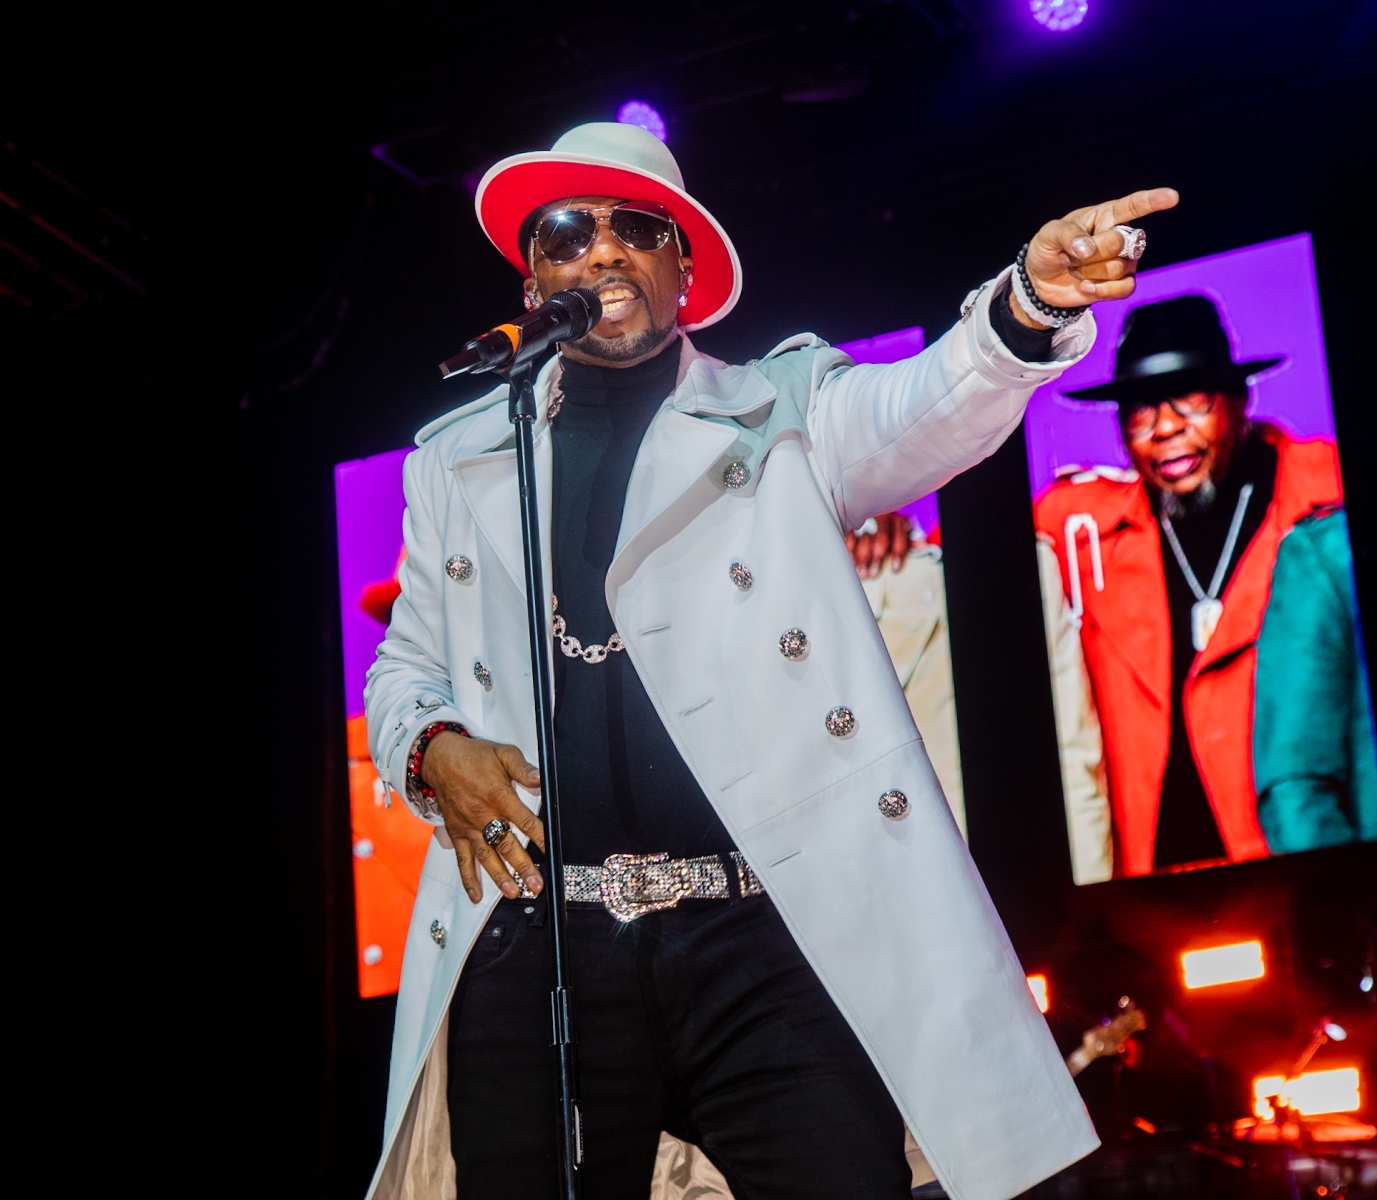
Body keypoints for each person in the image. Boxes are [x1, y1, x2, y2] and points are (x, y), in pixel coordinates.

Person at [365, 120, 1175, 1199]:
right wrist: (429, 747)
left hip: (761, 933)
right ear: (533, 281)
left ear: (684, 270)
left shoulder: (782, 412)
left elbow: (924, 406)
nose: (601, 251)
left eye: (636, 228)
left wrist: (1026, 305)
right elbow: (404, 664)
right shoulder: (458, 460)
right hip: (544, 938)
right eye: (566, 234)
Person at [1033, 295, 1377, 883]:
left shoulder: (1329, 489)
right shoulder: (1082, 528)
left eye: (1190, 398)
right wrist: (888, 530)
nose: (1166, 427)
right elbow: (959, 560)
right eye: (1140, 409)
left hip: (1295, 872)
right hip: (1150, 891)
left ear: (1239, 397)